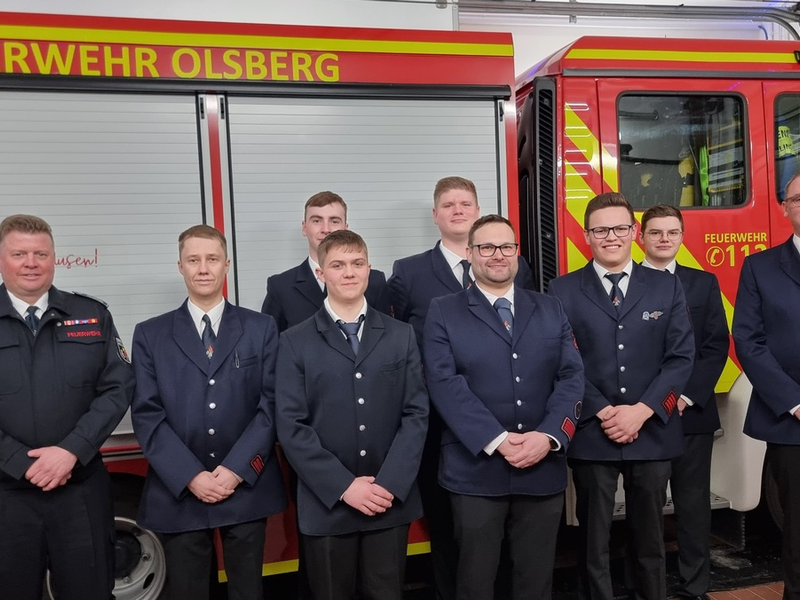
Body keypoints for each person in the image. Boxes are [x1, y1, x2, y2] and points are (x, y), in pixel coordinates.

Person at [423, 214, 585, 599]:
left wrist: (548, 436)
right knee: (475, 581)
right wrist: (496, 439)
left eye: (506, 246)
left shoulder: (550, 308)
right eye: (487, 247)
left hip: (542, 467)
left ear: (517, 252)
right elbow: (444, 384)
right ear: (470, 253)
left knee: (535, 581)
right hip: (475, 470)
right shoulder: (443, 311)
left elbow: (571, 378)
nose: (498, 255)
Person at [387, 176, 534, 600]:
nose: (457, 210)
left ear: (477, 211)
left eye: (465, 203)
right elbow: (398, 347)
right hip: (439, 424)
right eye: (448, 204)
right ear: (435, 216)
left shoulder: (515, 267)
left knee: (503, 527)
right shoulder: (408, 273)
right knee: (447, 522)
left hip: (509, 427)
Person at [548, 192, 694, 600]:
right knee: (593, 541)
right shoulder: (562, 290)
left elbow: (681, 356)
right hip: (593, 431)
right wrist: (605, 410)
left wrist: (643, 410)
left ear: (633, 232)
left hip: (652, 430)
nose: (609, 236)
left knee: (651, 538)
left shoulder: (666, 287)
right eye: (600, 229)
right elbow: (563, 361)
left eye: (618, 228)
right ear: (587, 235)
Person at [131, 225, 286, 600]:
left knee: (248, 590)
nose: (203, 268)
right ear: (180, 266)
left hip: (246, 487)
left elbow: (272, 405)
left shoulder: (260, 328)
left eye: (212, 259)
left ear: (226, 265)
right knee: (187, 590)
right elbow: (147, 413)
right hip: (180, 492)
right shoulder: (150, 334)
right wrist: (190, 476)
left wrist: (235, 471)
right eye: (194, 260)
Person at [276, 229, 428, 600]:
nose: (348, 272)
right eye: (338, 265)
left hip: (388, 501)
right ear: (321, 273)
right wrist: (344, 487)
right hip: (326, 503)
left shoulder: (400, 335)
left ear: (369, 269)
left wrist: (388, 484)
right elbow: (291, 425)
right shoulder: (294, 341)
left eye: (357, 263)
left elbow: (416, 413)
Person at [0, 214, 134, 600]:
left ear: (54, 257)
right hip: (7, 495)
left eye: (40, 253)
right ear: (3, 259)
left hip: (79, 492)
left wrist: (71, 451)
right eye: (19, 253)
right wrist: (20, 463)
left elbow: (118, 387)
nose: (31, 262)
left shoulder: (91, 316)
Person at [639, 204, 729, 600]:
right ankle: (648, 587)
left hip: (690, 413)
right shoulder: (626, 283)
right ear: (641, 237)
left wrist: (684, 396)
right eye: (656, 232)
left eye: (671, 232)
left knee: (693, 509)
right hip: (645, 416)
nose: (664, 239)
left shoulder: (703, 283)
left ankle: (696, 588)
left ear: (681, 236)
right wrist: (653, 401)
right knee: (646, 511)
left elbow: (715, 347)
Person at [733, 171, 800, 600]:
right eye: (799, 197)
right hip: (792, 422)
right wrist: (794, 402)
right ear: (785, 207)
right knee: (796, 528)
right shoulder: (760, 266)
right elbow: (748, 340)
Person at [261, 190, 390, 332]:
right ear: (304, 228)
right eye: (317, 221)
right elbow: (271, 345)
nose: (326, 229)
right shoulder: (281, 287)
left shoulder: (374, 280)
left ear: (346, 228)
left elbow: (388, 334)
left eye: (334, 221)